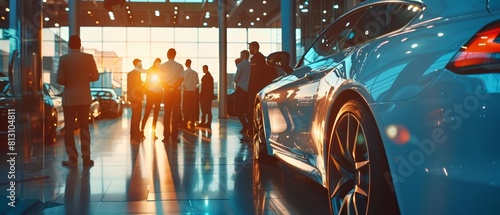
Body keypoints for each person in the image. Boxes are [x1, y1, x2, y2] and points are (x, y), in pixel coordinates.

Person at [57, 35, 99, 168]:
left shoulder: (64, 59)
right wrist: (84, 79)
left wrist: (71, 80)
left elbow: (60, 80)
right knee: (84, 128)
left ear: (69, 45)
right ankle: (86, 158)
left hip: (69, 98)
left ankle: (72, 159)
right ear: (80, 45)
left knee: (69, 129)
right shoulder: (89, 58)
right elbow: (96, 76)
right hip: (84, 98)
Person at [247, 41, 278, 137]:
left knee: (251, 111)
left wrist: (251, 87)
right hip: (263, 87)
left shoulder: (255, 59)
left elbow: (254, 75)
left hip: (256, 88)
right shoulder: (264, 59)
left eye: (250, 48)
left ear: (254, 47)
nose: (249, 50)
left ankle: (252, 133)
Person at [159, 48, 184, 143]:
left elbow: (160, 80)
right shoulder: (179, 66)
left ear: (167, 55)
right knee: (176, 114)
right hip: (176, 92)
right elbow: (181, 79)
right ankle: (174, 137)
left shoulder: (162, 66)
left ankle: (166, 137)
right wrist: (173, 87)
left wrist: (167, 87)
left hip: (166, 92)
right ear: (175, 55)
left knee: (167, 114)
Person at [140, 58, 163, 139]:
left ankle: (153, 131)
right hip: (152, 92)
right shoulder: (151, 70)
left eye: (159, 63)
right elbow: (147, 82)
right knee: (148, 111)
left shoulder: (161, 70)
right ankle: (142, 130)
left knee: (156, 112)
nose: (158, 64)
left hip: (158, 93)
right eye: (157, 63)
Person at [234, 50, 251, 141]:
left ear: (243, 55)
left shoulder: (241, 65)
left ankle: (245, 125)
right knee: (245, 109)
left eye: (241, 55)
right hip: (247, 90)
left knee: (237, 109)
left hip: (240, 89)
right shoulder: (250, 65)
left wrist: (236, 81)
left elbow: (236, 78)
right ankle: (249, 126)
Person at [128, 59, 145, 142]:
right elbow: (132, 87)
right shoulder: (134, 74)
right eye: (140, 64)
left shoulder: (135, 74)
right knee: (136, 116)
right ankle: (135, 135)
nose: (141, 65)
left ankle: (135, 134)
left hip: (136, 98)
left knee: (136, 116)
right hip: (136, 98)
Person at [182, 59, 199, 129]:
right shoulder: (195, 73)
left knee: (186, 108)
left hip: (186, 92)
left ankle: (185, 122)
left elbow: (182, 82)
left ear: (186, 64)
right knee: (193, 108)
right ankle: (193, 122)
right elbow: (197, 83)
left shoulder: (184, 73)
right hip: (193, 92)